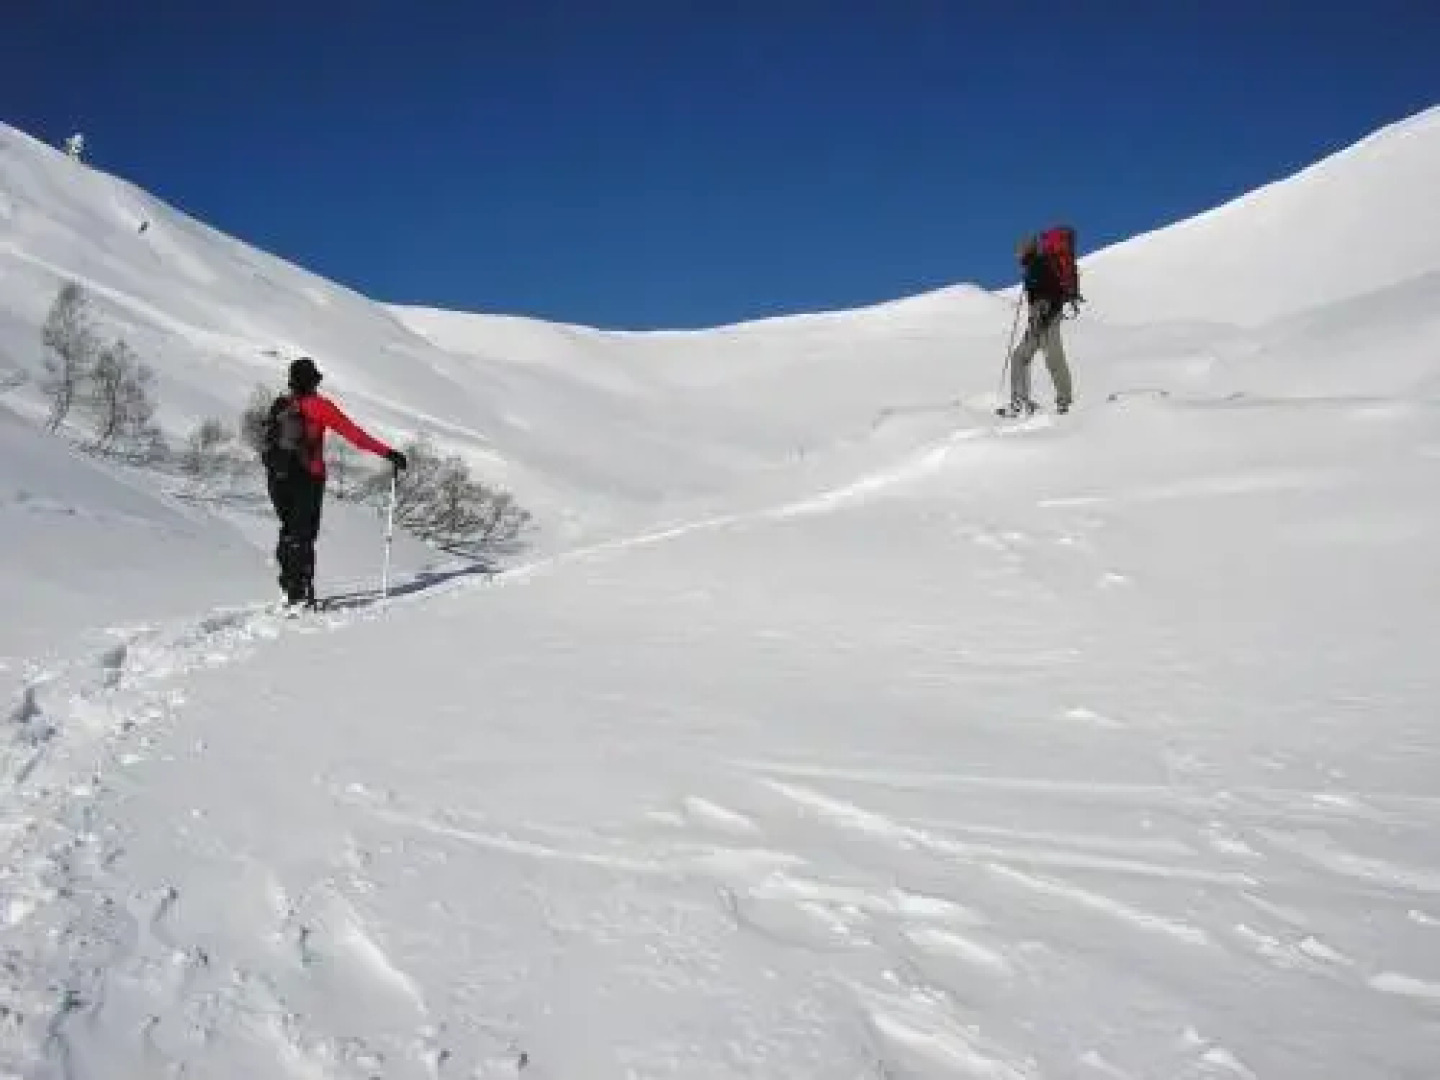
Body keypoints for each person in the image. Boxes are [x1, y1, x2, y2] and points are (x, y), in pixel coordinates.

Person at [264, 356, 407, 606]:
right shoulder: (320, 406)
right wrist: (387, 453)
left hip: (278, 477)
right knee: (304, 535)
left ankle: (289, 586)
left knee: (288, 531)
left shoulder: (281, 405)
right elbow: (354, 434)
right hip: (308, 477)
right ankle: (300, 593)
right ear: (313, 381)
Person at [999, 235, 1074, 417]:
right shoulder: (1033, 268)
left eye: (1018, 252)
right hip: (1038, 320)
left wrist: (1043, 310)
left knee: (1053, 359)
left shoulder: (1039, 265)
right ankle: (1020, 402)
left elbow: (1052, 292)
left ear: (1027, 251)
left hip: (1047, 318)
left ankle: (1064, 402)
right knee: (1019, 357)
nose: (1016, 256)